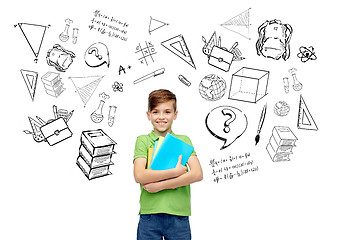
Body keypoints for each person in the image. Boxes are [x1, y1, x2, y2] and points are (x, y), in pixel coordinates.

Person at [133, 89, 203, 240]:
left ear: (175, 114)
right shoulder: (143, 140)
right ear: (148, 115)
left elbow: (197, 174)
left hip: (179, 216)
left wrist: (159, 185)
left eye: (167, 112)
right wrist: (176, 171)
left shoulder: (183, 140)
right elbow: (139, 175)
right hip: (149, 215)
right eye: (156, 112)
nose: (161, 117)